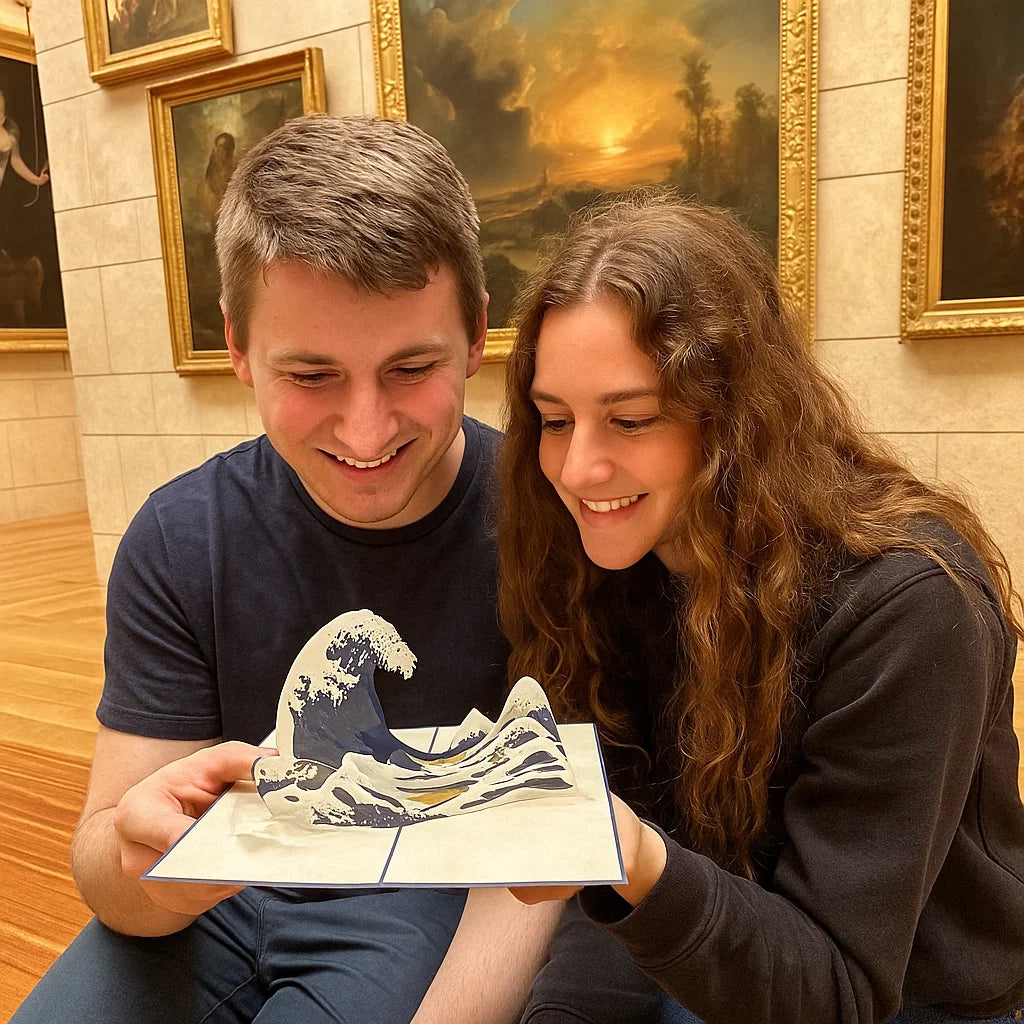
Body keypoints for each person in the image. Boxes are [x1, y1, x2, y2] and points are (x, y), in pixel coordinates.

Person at [12, 114, 561, 1024]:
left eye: (411, 367)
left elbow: (555, 847)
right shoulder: (182, 536)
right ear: (237, 348)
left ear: (475, 333)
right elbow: (107, 865)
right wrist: (145, 867)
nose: (366, 429)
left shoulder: (552, 528)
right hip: (214, 907)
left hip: (429, 902)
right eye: (310, 377)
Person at [497, 196, 1024, 1023]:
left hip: (908, 995)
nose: (577, 468)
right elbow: (610, 907)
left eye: (630, 419)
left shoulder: (910, 605)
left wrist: (630, 856)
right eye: (554, 420)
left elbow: (838, 988)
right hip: (713, 945)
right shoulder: (608, 563)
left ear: (736, 415)